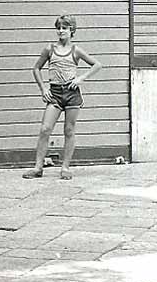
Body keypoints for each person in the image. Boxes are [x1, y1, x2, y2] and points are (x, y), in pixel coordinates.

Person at [23, 15, 102, 180]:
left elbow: (97, 64)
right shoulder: (49, 49)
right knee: (45, 129)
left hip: (72, 94)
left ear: (72, 30)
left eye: (64, 28)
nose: (61, 31)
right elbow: (36, 68)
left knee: (69, 130)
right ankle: (38, 167)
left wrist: (81, 78)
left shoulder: (76, 50)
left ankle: (65, 168)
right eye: (58, 28)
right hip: (55, 93)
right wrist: (43, 88)